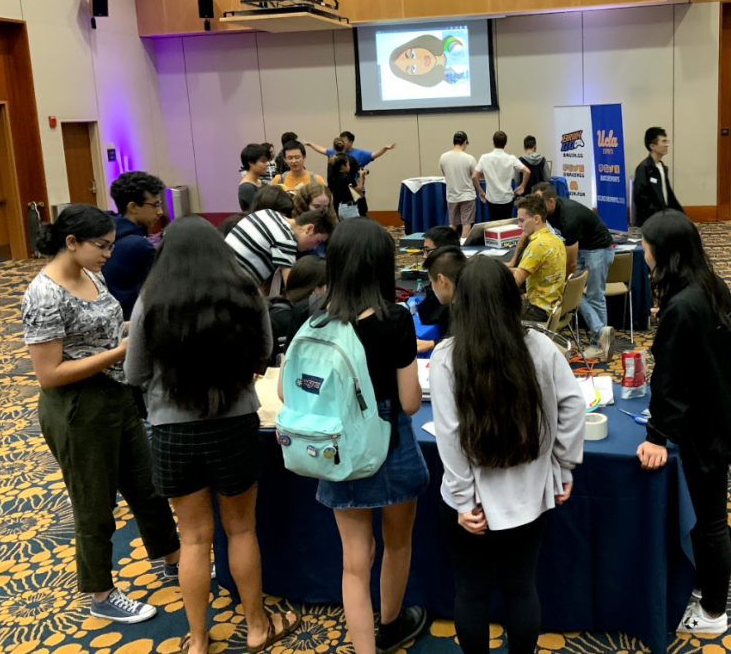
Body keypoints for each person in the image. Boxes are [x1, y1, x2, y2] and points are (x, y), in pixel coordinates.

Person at [125, 217, 300, 654]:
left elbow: (134, 372)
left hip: (172, 431)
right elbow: (263, 353)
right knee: (241, 530)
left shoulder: (153, 298)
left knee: (193, 538)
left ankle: (199, 639)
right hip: (233, 422)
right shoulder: (243, 293)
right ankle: (258, 626)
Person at [21, 205, 181, 624]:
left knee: (148, 486)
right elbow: (49, 374)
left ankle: (172, 557)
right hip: (76, 407)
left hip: (116, 395)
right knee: (94, 504)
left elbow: (104, 327)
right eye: (101, 246)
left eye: (110, 246)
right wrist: (120, 351)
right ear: (71, 243)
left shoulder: (92, 274)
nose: (109, 254)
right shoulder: (44, 294)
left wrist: (134, 330)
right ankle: (100, 592)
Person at [285, 217, 428, 654]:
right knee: (397, 543)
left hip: (336, 446)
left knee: (354, 560)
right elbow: (408, 403)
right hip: (391, 443)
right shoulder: (395, 319)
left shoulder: (316, 318)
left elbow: (288, 390)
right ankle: (390, 624)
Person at [429, 256, 585, 654]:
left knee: (471, 591)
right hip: (529, 493)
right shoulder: (540, 346)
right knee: (521, 588)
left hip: (473, 502)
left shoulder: (446, 356)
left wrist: (463, 500)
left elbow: (449, 434)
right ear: (511, 297)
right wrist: (562, 465)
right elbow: (573, 405)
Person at [636, 210, 731, 637]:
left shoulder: (683, 307)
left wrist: (656, 436)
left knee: (710, 523)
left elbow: (670, 381)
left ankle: (713, 613)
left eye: (646, 246)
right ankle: (705, 584)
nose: (642, 252)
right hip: (724, 411)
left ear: (664, 252)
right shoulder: (707, 286)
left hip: (706, 429)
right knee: (710, 519)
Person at [529, 182, 616, 361]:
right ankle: (601, 333)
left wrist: (568, 281)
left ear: (551, 202)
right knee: (572, 293)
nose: (537, 209)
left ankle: (598, 345)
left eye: (540, 204)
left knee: (593, 296)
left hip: (598, 249)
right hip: (584, 248)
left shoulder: (569, 217)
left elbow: (571, 262)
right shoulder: (547, 210)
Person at [102, 171, 165, 321]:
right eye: (155, 205)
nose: (160, 212)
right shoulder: (138, 246)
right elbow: (158, 293)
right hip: (131, 322)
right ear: (133, 207)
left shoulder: (105, 233)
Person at [225, 208, 333, 288]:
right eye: (318, 241)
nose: (314, 247)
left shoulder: (268, 213)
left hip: (219, 269)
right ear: (309, 228)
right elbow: (292, 287)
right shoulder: (286, 239)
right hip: (228, 285)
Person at [511, 195, 566, 324]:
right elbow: (530, 269)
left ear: (536, 219)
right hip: (553, 306)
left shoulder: (537, 246)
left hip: (538, 311)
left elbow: (513, 284)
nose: (519, 225)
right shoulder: (556, 239)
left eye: (521, 220)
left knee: (494, 313)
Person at [416, 246, 467, 354]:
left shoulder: (470, 309)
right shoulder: (470, 299)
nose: (432, 288)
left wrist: (434, 344)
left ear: (441, 280)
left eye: (431, 282)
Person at [474, 131, 530, 222]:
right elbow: (527, 171)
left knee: (494, 223)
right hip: (507, 198)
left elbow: (474, 176)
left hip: (492, 199)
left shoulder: (484, 157)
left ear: (493, 142)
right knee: (506, 224)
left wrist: (480, 191)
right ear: (505, 143)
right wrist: (522, 186)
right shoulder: (511, 158)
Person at [632, 127, 683, 227]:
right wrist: (656, 213)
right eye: (663, 141)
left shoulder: (662, 168)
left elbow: (668, 194)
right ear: (653, 146)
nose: (666, 145)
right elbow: (639, 197)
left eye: (666, 141)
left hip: (662, 217)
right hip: (650, 221)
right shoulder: (644, 168)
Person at [439, 131, 480, 239]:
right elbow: (475, 176)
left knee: (453, 224)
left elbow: (445, 174)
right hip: (467, 195)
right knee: (466, 224)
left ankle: (447, 245)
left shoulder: (443, 157)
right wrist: (480, 191)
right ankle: (463, 250)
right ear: (465, 142)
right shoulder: (469, 158)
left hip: (452, 196)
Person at [388, 34, 468, 87]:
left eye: (412, 54)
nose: (419, 61)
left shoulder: (451, 42)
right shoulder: (452, 78)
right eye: (413, 68)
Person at [305, 131, 397, 176]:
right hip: (339, 189)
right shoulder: (335, 151)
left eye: (344, 141)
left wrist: (385, 149)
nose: (342, 143)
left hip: (355, 187)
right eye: (340, 140)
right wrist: (310, 144)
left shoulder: (360, 153)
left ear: (351, 142)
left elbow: (374, 155)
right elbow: (322, 149)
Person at [291, 182, 339, 257]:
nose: (321, 210)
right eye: (316, 206)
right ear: (304, 204)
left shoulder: (330, 224)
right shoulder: (294, 224)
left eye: (325, 207)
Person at [328, 152, 367, 221]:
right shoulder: (347, 178)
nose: (349, 166)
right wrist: (361, 175)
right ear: (343, 166)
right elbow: (359, 189)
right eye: (348, 164)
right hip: (349, 209)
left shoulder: (334, 177)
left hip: (340, 208)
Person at [239, 144, 271, 212]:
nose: (267, 164)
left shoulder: (261, 183)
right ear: (251, 163)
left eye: (266, 161)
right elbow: (261, 210)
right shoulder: (246, 187)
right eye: (263, 161)